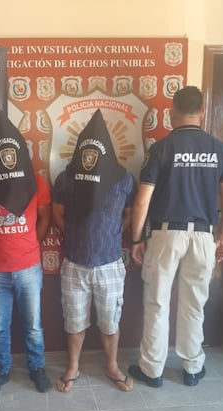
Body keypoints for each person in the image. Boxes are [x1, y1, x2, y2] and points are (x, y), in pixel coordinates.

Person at [129, 85, 223, 388]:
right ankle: (192, 368)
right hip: (204, 235)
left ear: (171, 113)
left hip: (166, 235)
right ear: (202, 111)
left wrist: (136, 239)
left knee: (157, 303)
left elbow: (142, 202)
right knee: (194, 304)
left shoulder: (161, 149)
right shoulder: (221, 150)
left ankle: (152, 370)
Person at [0, 109, 52, 396]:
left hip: (29, 266)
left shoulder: (36, 181)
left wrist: (30, 244)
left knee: (34, 326)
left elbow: (45, 218)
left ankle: (37, 368)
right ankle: (1, 369)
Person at [52, 109, 134, 393]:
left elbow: (128, 215)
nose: (90, 157)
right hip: (74, 263)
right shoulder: (66, 178)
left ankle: (112, 366)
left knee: (110, 322)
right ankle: (73, 367)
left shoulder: (124, 179)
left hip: (110, 263)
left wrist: (109, 235)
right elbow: (57, 213)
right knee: (74, 321)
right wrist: (77, 236)